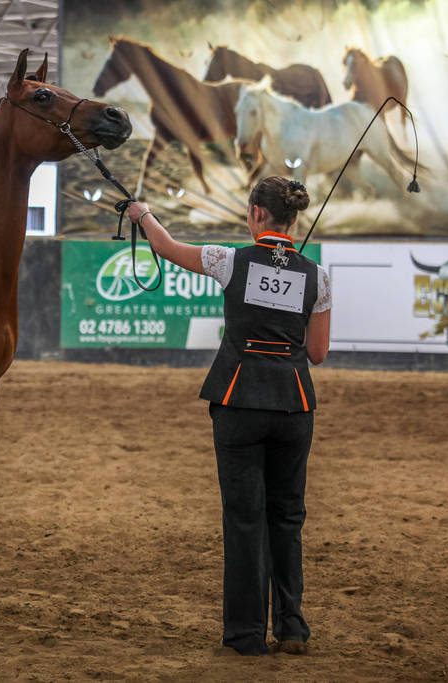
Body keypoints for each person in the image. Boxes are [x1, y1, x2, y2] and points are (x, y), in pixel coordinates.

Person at [126, 176, 331, 656]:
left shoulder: (229, 260)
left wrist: (142, 214)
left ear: (256, 213)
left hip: (239, 401)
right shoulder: (318, 277)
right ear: (293, 218)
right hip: (294, 405)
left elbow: (167, 247)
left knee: (244, 520)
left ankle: (245, 635)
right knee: (287, 518)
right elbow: (318, 353)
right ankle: (292, 627)